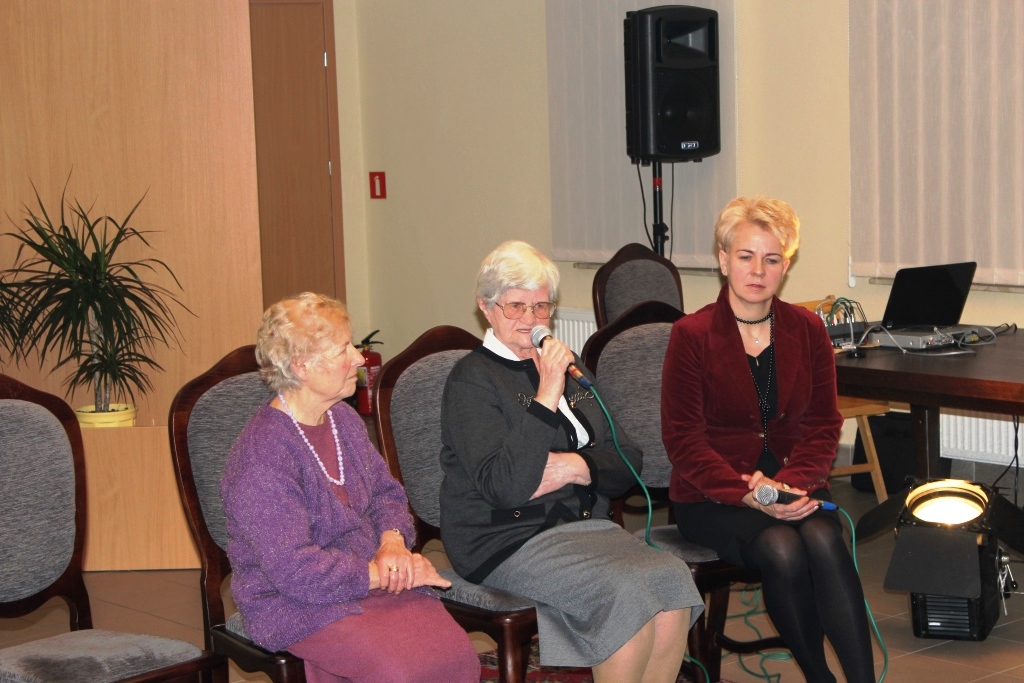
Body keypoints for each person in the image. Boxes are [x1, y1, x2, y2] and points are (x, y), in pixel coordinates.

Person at [440, 240, 703, 683]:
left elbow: (628, 459)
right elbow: (506, 487)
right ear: (486, 307)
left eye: (541, 306)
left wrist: (575, 468)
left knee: (672, 580)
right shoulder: (472, 381)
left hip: (584, 528)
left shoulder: (572, 367)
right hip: (505, 538)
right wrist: (546, 394)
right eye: (516, 306)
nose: (530, 319)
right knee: (626, 594)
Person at [661, 196, 875, 682]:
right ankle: (820, 677)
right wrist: (751, 494)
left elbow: (823, 423)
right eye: (746, 256)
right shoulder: (691, 335)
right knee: (782, 547)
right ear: (723, 260)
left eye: (772, 259)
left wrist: (791, 484)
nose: (758, 270)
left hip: (794, 485)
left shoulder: (807, 329)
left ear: (786, 266)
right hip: (714, 497)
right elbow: (683, 440)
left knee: (824, 537)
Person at [221, 292, 480, 683]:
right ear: (302, 366)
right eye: (343, 349)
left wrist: (393, 544)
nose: (359, 358)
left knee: (456, 656)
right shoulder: (262, 456)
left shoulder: (342, 419)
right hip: (293, 600)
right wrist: (384, 573)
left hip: (368, 576)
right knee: (401, 671)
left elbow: (386, 495)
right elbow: (293, 570)